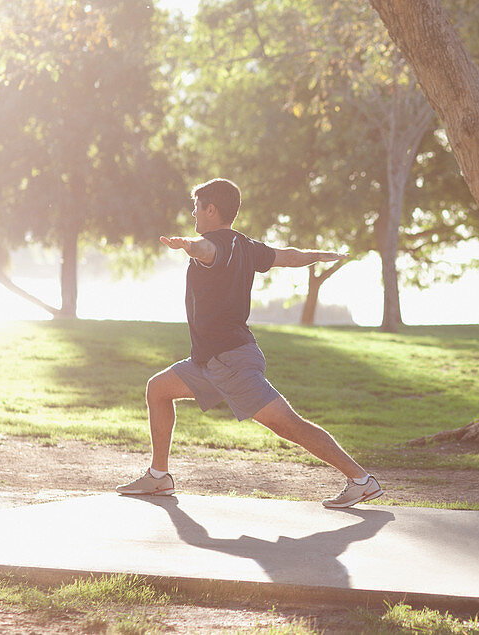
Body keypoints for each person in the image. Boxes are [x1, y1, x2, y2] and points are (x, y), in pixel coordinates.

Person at [117, 178, 382, 508]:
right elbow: (287, 256)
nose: (193, 212)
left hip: (229, 362)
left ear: (211, 210)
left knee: (289, 426)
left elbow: (205, 250)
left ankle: (361, 480)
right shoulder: (246, 246)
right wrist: (317, 255)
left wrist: (188, 244)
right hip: (209, 360)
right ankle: (159, 477)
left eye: (196, 207)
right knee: (158, 389)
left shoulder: (214, 245)